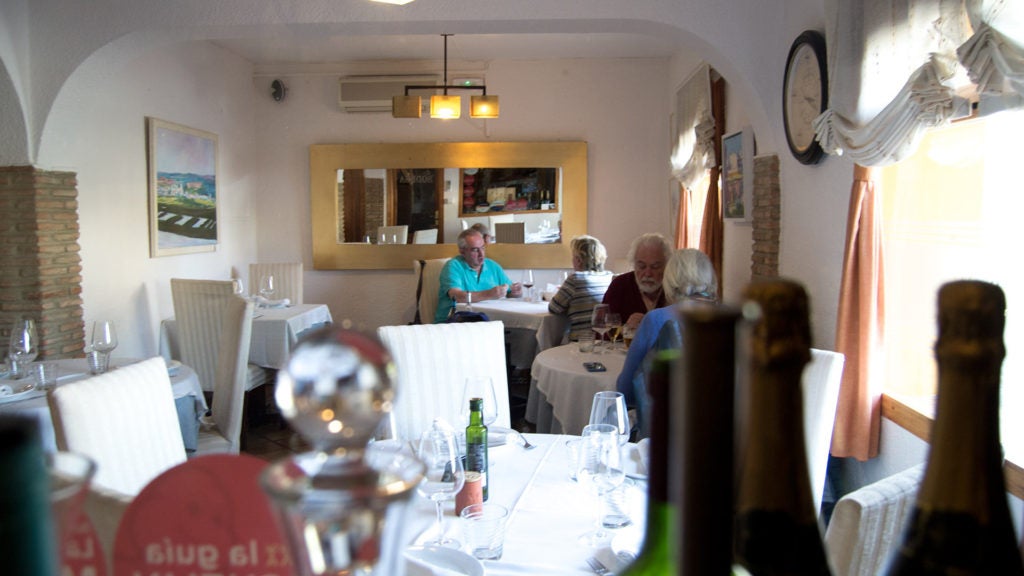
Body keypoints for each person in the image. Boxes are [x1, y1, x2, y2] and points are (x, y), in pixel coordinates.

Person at [615, 248, 718, 435]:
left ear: (669, 280)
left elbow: (627, 391)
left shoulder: (657, 319)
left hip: (667, 436)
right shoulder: (732, 319)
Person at [434, 228, 522, 323]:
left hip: (486, 322)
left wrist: (515, 292)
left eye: (483, 248)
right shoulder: (453, 266)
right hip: (453, 324)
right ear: (462, 251)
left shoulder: (492, 266)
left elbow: (509, 291)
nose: (481, 254)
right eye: (475, 250)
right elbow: (458, 297)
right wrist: (489, 294)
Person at [601, 233, 673, 332]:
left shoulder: (674, 287)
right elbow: (600, 330)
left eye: (655, 267)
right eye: (641, 266)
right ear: (634, 264)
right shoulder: (619, 285)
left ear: (667, 266)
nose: (647, 273)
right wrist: (626, 329)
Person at [547, 235, 614, 341]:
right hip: (603, 339)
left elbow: (554, 308)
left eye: (573, 256)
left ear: (578, 260)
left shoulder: (576, 279)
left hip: (581, 341)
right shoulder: (609, 277)